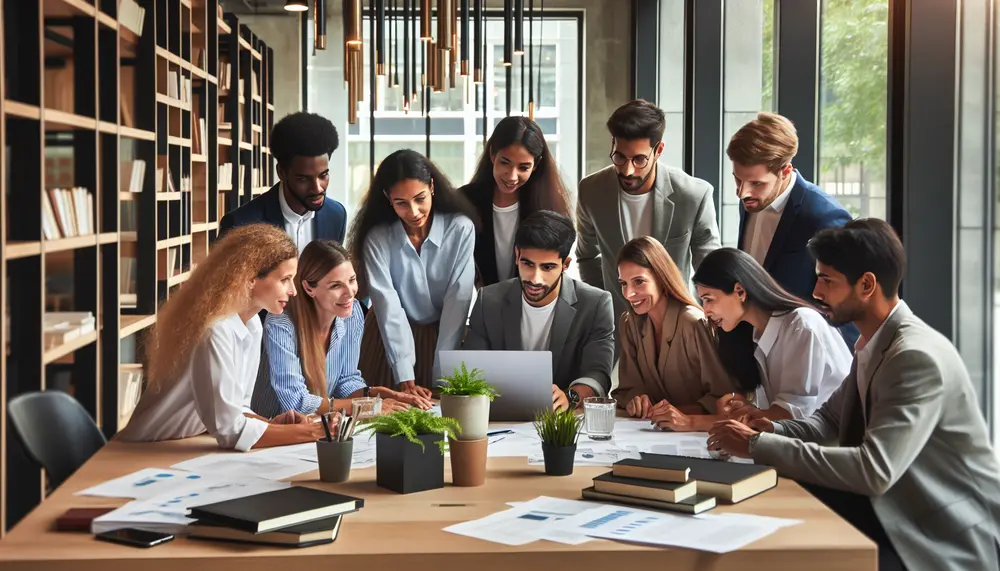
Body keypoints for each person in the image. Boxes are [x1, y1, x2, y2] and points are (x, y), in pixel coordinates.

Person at [708, 219, 1000, 571]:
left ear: (866, 285)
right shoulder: (873, 344)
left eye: (826, 280)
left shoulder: (913, 357)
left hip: (934, 535)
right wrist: (764, 431)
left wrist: (756, 445)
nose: (815, 291)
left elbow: (874, 470)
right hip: (887, 511)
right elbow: (824, 422)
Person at [116, 224, 331, 451]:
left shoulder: (253, 324)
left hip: (182, 445)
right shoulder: (215, 330)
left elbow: (237, 410)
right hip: (145, 451)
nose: (293, 291)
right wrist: (314, 431)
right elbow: (231, 431)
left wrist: (271, 425)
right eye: (285, 279)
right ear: (250, 278)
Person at [348, 149, 478, 399]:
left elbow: (457, 303)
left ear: (432, 187)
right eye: (401, 203)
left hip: (444, 335)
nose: (414, 211)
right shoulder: (377, 238)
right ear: (387, 198)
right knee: (386, 422)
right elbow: (388, 305)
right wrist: (403, 372)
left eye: (420, 198)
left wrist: (444, 372)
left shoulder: (460, 229)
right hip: (387, 341)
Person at [251, 240, 433, 419]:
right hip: (273, 432)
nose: (350, 292)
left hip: (318, 427)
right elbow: (296, 403)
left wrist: (380, 393)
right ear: (308, 288)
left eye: (352, 280)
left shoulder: (352, 315)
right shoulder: (280, 325)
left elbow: (346, 381)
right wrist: (370, 406)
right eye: (336, 285)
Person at [576, 99, 721, 322]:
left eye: (639, 159)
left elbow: (710, 268)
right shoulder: (591, 191)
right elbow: (587, 257)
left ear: (658, 150)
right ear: (612, 143)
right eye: (620, 157)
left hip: (677, 321)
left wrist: (702, 319)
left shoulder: (693, 195)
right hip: (617, 322)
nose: (628, 169)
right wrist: (603, 305)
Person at [463, 210, 615, 411]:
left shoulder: (596, 304)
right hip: (500, 416)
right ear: (517, 255)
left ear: (565, 265)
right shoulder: (487, 301)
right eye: (527, 264)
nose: (535, 278)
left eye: (547, 267)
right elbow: (472, 371)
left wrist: (570, 396)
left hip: (562, 421)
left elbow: (598, 375)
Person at [727, 112, 856, 346]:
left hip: (804, 357)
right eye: (737, 179)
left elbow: (847, 307)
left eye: (756, 183)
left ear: (785, 171)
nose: (742, 192)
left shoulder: (823, 216)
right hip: (756, 354)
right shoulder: (749, 201)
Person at [693, 247, 851, 421]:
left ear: (740, 291)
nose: (705, 311)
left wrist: (694, 422)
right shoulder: (754, 335)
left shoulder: (801, 325)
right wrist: (748, 409)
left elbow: (793, 415)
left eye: (709, 299)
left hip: (835, 442)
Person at [613, 237, 737, 430]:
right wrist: (636, 400)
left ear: (661, 279)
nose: (629, 294)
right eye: (623, 283)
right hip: (648, 433)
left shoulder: (695, 323)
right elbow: (627, 388)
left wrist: (679, 413)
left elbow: (724, 397)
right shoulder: (629, 324)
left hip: (698, 435)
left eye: (639, 282)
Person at [460, 116, 571, 287]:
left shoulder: (549, 206)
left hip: (534, 302)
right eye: (505, 163)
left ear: (535, 165)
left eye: (523, 167)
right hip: (484, 304)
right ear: (492, 155)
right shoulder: (465, 201)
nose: (512, 176)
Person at [219, 112, 347, 252]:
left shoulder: (336, 216)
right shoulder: (240, 225)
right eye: (303, 179)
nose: (317, 189)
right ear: (281, 172)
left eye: (323, 176)